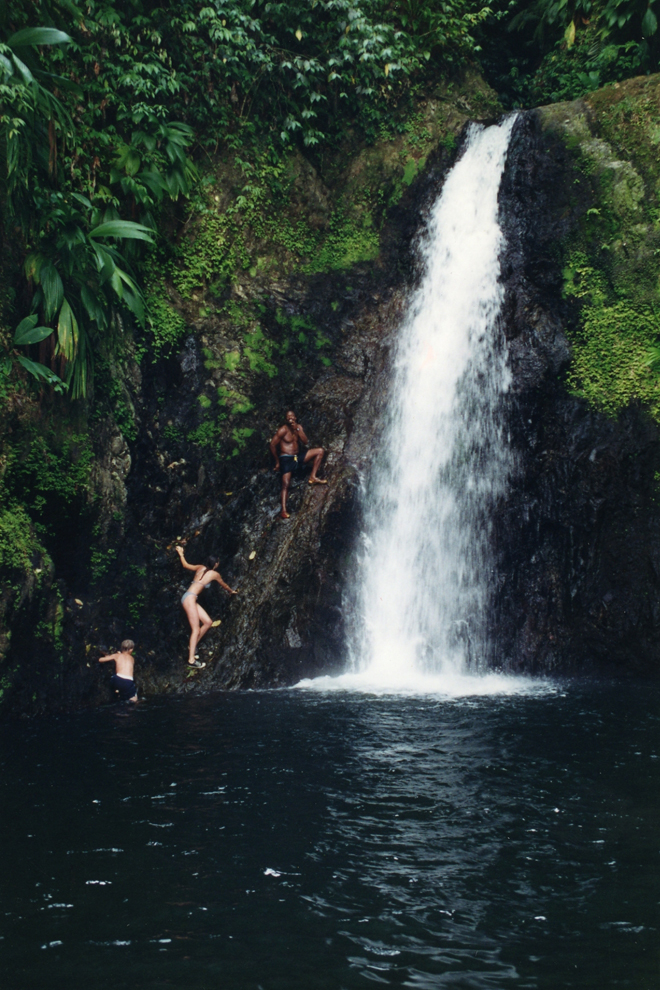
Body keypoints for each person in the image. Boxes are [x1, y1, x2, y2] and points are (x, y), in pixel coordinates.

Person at [176, 545, 238, 668]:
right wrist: (231, 591)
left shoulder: (200, 567)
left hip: (190, 598)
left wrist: (181, 553)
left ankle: (192, 647)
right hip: (190, 599)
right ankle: (191, 660)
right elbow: (224, 585)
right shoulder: (214, 574)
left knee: (208, 622)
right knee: (196, 629)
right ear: (215, 564)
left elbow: (186, 565)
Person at [269, 410, 327, 519]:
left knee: (320, 451)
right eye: (288, 417)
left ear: (295, 417)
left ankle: (313, 477)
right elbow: (272, 445)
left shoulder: (298, 427)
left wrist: (298, 429)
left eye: (292, 416)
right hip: (286, 458)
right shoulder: (283, 430)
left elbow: (305, 441)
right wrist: (277, 461)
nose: (290, 419)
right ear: (286, 419)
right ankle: (284, 510)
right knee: (286, 484)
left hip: (297, 457)